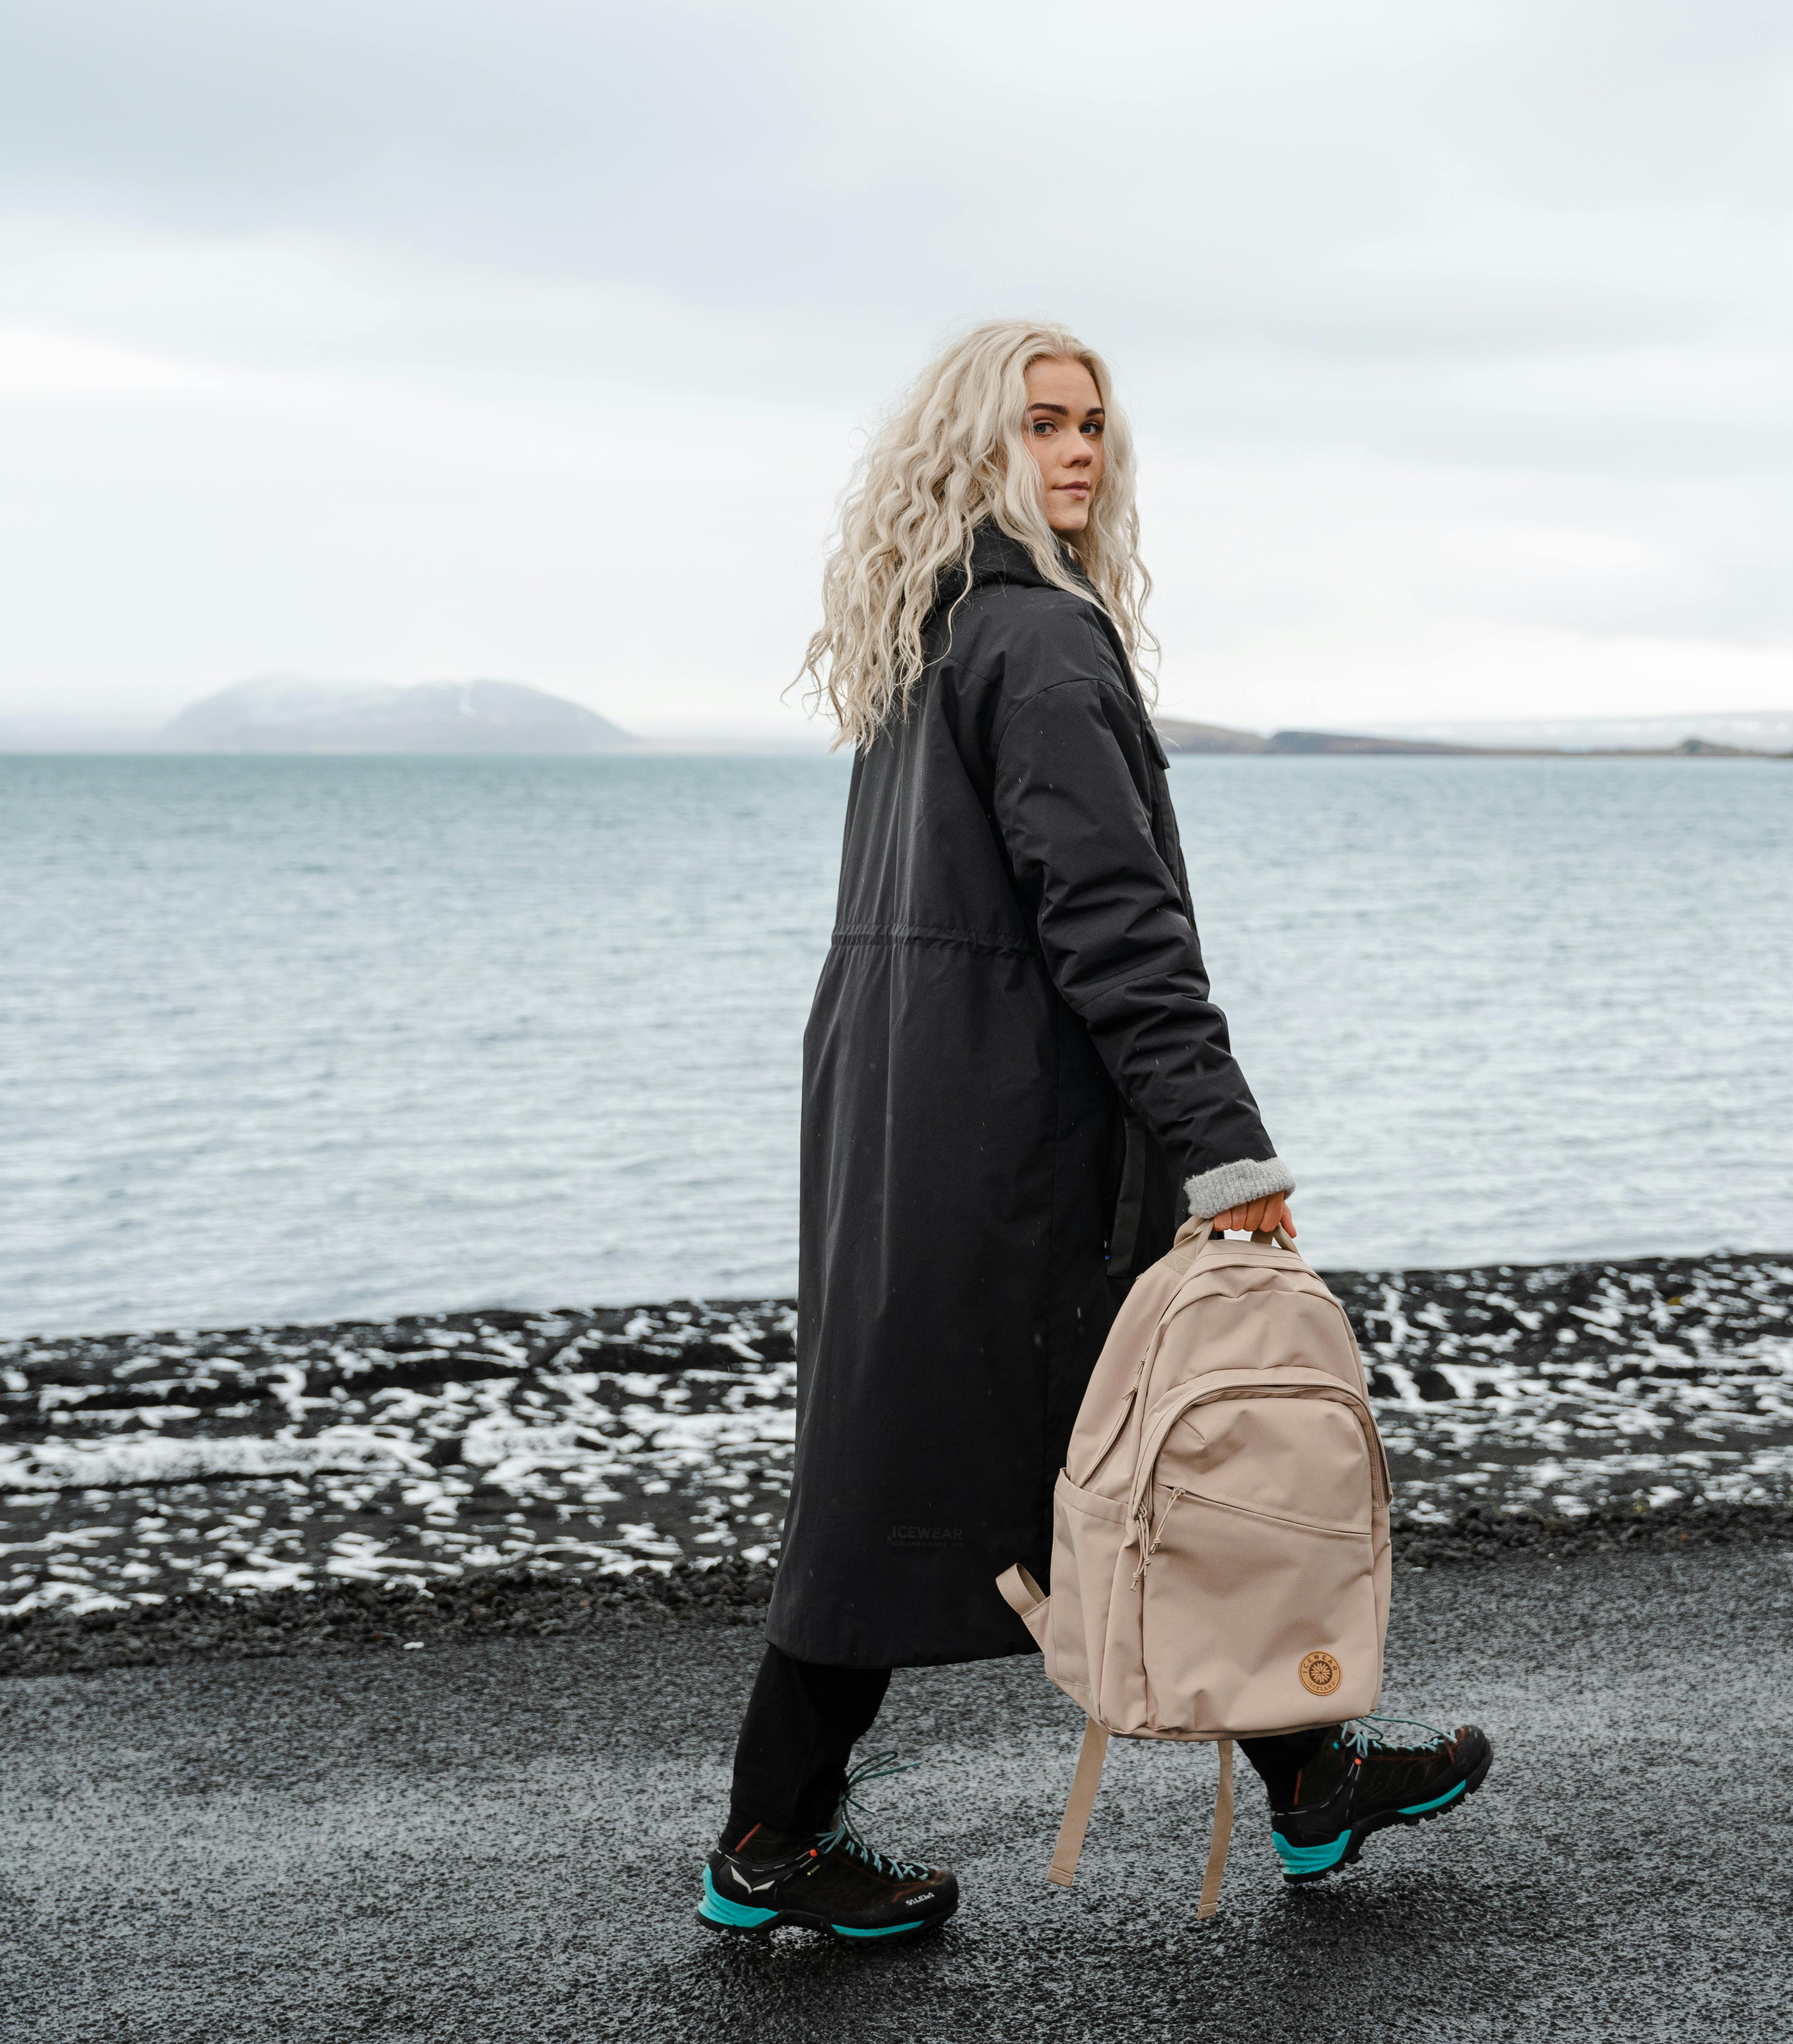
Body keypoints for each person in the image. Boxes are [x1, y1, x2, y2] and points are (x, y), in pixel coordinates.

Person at [697, 320, 1489, 1940]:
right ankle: (772, 1834)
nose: (1077, 452)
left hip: (912, 1115)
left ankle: (1304, 1775)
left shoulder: (931, 634)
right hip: (1018, 1138)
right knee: (1103, 1450)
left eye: (1092, 425)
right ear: (973, 444)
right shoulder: (1041, 641)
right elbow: (1115, 922)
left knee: (1016, 1455)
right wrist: (1228, 1153)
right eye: (1041, 423)